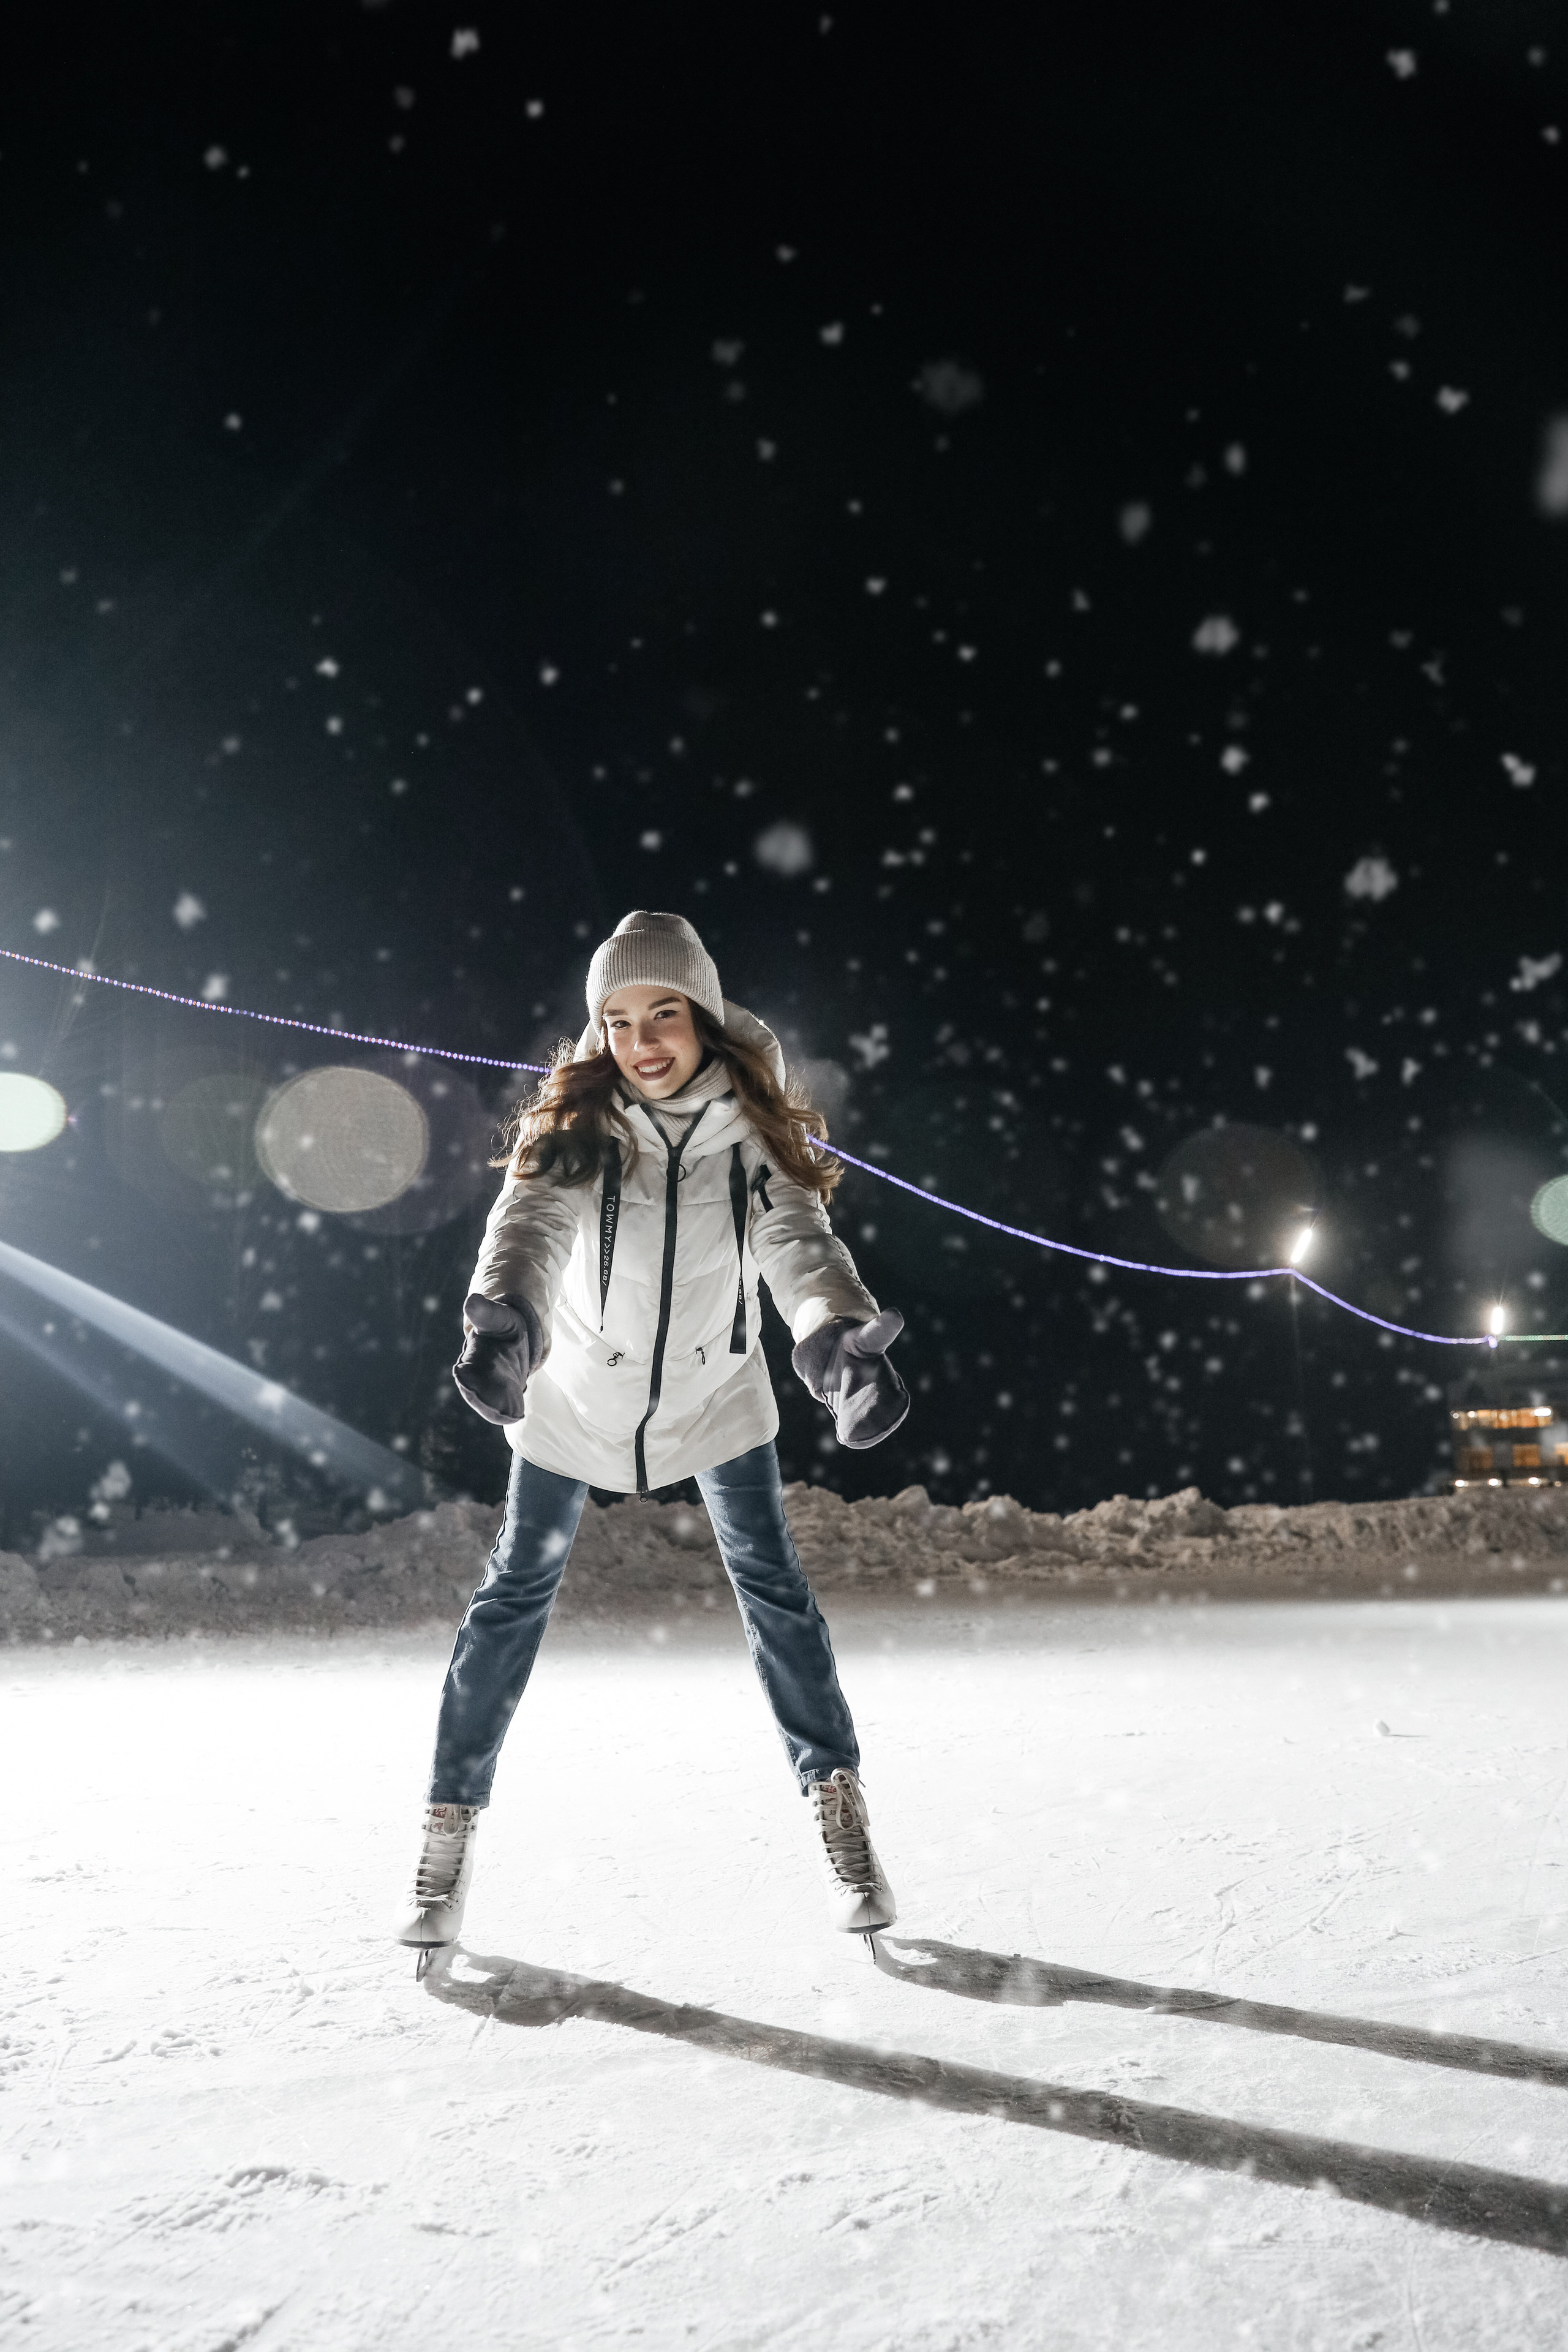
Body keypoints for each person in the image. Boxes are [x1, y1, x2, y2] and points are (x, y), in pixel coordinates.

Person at [396, 910, 911, 1959]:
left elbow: (796, 1240)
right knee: (510, 1599)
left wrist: (833, 1339)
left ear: (706, 1019)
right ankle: (447, 1832)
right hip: (577, 1396)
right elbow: (528, 1229)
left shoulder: (752, 1138)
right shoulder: (579, 1128)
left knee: (775, 1591)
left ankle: (841, 1815)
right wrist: (505, 1325)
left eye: (663, 1014)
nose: (643, 1041)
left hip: (718, 1395)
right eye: (620, 1021)